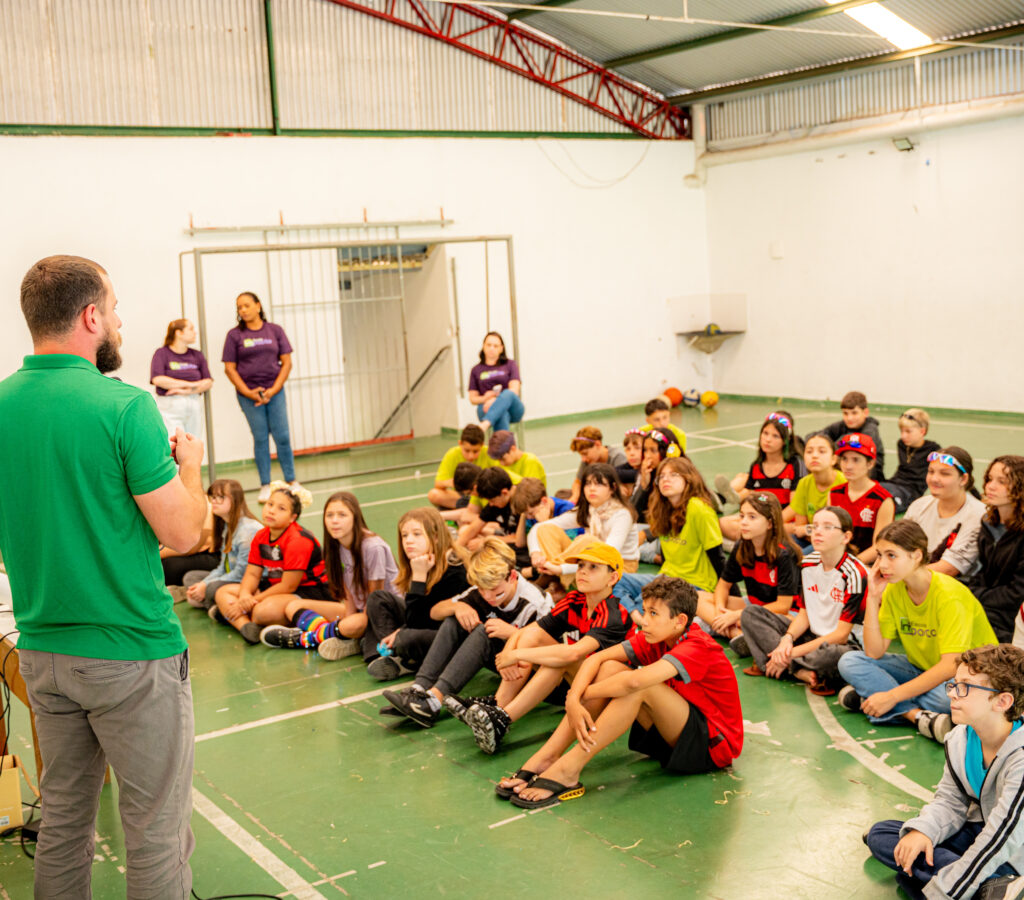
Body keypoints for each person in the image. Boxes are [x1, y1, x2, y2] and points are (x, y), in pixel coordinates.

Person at [0, 255, 207, 897]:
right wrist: (190, 469)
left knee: (64, 823)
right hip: (130, 652)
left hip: (41, 650)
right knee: (156, 833)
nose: (119, 321)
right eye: (114, 309)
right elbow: (184, 534)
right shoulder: (125, 407)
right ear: (91, 316)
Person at [502, 576, 743, 810]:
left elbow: (634, 681)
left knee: (639, 687)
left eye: (653, 614)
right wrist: (574, 698)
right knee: (610, 668)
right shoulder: (658, 637)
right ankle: (548, 756)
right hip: (675, 734)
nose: (644, 621)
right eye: (645, 611)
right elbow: (596, 659)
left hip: (712, 746)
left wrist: (582, 694)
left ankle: (568, 769)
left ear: (679, 621)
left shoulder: (698, 646)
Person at [864, 644, 1024, 900]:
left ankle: (964, 881)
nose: (952, 694)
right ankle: (994, 887)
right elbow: (950, 801)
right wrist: (923, 831)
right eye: (953, 684)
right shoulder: (960, 738)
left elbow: (1002, 837)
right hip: (981, 831)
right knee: (882, 834)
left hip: (1014, 850)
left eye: (965, 687)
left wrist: (942, 891)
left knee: (911, 870)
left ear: (1002, 701)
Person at [456, 537, 631, 755]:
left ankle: (502, 717)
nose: (583, 572)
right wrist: (509, 652)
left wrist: (517, 655)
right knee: (534, 640)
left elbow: (574, 653)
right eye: (581, 566)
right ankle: (496, 709)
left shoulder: (614, 614)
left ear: (612, 578)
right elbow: (530, 632)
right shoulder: (575, 600)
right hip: (579, 682)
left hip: (608, 694)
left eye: (593, 567)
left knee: (560, 659)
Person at [837, 521, 998, 743]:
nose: (882, 564)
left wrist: (891, 695)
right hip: (922, 669)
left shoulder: (949, 595)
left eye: (891, 555)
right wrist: (873, 597)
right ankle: (916, 716)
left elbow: (950, 665)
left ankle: (872, 697)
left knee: (945, 700)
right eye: (879, 555)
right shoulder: (894, 589)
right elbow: (874, 652)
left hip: (970, 676)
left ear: (916, 555)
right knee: (850, 661)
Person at [379, 538, 552, 727]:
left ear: (511, 576)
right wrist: (458, 607)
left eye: (495, 590)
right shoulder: (482, 588)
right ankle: (418, 689)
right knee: (456, 618)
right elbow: (435, 612)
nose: (488, 596)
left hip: (531, 670)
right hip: (503, 661)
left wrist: (513, 634)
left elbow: (552, 652)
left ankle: (433, 701)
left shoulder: (536, 603)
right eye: (483, 590)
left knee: (485, 631)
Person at [259, 491, 400, 659]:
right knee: (293, 606)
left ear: (355, 518)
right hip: (358, 611)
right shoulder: (336, 546)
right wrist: (347, 620)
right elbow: (348, 594)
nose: (334, 520)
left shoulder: (373, 547)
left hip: (384, 614)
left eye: (342, 515)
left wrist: (352, 623)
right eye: (330, 515)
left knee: (355, 623)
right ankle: (339, 636)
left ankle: (305, 639)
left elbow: (374, 599)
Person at [742, 507, 866, 693]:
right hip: (810, 637)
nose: (818, 532)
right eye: (814, 526)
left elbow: (841, 635)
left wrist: (791, 653)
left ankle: (774, 662)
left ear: (846, 537)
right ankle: (800, 671)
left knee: (835, 657)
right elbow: (804, 614)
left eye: (827, 527)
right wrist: (787, 639)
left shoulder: (855, 574)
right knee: (751, 614)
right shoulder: (808, 563)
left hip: (842, 645)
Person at [362, 508, 472, 681]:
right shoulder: (423, 560)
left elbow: (420, 622)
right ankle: (388, 655)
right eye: (404, 535)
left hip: (449, 637)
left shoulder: (455, 568)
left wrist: (419, 577)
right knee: (378, 598)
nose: (409, 541)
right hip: (423, 622)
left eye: (417, 534)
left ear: (436, 537)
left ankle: (398, 653)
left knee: (406, 638)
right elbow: (416, 614)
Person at [212, 483, 328, 643]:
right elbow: (252, 574)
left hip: (308, 591)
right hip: (274, 588)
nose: (271, 510)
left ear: (292, 518)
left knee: (262, 612)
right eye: (270, 504)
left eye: (281, 508)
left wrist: (251, 601)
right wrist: (245, 596)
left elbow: (288, 586)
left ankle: (236, 616)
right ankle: (246, 627)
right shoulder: (261, 536)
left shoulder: (298, 540)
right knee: (222, 592)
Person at [617, 457, 725, 618]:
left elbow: (718, 557)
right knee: (614, 580)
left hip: (694, 585)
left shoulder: (699, 508)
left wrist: (727, 596)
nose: (665, 479)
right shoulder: (663, 509)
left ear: (689, 479)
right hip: (665, 579)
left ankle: (637, 615)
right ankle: (636, 616)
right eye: (661, 476)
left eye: (674, 475)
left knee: (645, 603)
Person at [222, 291, 300, 503]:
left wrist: (274, 389)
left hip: (275, 392)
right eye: (239, 307)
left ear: (258, 306)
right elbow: (229, 368)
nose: (243, 310)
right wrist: (248, 392)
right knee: (260, 438)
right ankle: (265, 484)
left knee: (282, 436)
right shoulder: (234, 336)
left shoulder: (275, 330)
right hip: (249, 395)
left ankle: (291, 481)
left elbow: (287, 362)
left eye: (246, 305)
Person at [710, 493, 802, 655]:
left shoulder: (785, 554)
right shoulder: (742, 546)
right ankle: (738, 634)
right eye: (742, 516)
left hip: (785, 614)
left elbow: (783, 606)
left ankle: (741, 630)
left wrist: (737, 615)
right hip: (754, 606)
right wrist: (720, 613)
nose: (744, 522)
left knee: (753, 619)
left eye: (752, 517)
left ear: (770, 523)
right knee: (701, 598)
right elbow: (723, 585)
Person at [527, 463, 640, 581]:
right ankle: (555, 577)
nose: (592, 488)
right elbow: (538, 527)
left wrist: (562, 569)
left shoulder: (622, 514)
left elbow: (608, 555)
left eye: (599, 484)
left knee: (587, 541)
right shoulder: (588, 510)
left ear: (613, 488)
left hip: (618, 566)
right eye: (587, 483)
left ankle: (553, 577)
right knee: (546, 530)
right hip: (590, 563)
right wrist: (535, 553)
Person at [718, 412, 802, 541]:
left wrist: (772, 522)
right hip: (759, 518)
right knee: (722, 523)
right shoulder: (756, 465)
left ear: (785, 441)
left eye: (775, 436)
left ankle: (748, 540)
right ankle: (752, 539)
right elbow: (751, 492)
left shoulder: (795, 464)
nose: (768, 439)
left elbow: (795, 506)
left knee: (789, 530)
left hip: (783, 521)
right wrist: (739, 500)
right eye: (765, 433)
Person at [905, 447, 986, 580]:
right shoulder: (919, 506)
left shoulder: (978, 515)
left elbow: (949, 569)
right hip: (914, 578)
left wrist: (900, 573)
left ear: (963, 479)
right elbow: (896, 544)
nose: (934, 478)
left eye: (945, 474)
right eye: (931, 471)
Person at [181, 479, 261, 611]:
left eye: (221, 497)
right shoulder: (227, 527)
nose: (214, 501)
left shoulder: (248, 531)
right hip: (232, 577)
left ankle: (220, 608)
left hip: (249, 581)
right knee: (191, 578)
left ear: (235, 500)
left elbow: (242, 573)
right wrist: (203, 583)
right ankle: (220, 605)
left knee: (210, 589)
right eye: (213, 497)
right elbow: (223, 568)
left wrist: (206, 585)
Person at [972, 456, 1024, 646]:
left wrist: (975, 597)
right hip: (989, 603)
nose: (991, 487)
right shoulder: (988, 522)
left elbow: (1017, 593)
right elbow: (983, 572)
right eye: (989, 479)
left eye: (1002, 482)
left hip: (1012, 614)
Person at [829, 432, 894, 564]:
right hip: (836, 559)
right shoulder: (834, 494)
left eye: (856, 460)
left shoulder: (883, 500)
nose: (848, 466)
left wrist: (850, 564)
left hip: (866, 565)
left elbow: (879, 546)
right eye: (844, 459)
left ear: (870, 463)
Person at [149, 318, 212, 438]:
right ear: (179, 333)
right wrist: (192, 384)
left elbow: (208, 382)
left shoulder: (197, 355)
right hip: (171, 404)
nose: (195, 332)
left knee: (193, 441)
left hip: (193, 401)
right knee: (174, 442)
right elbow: (158, 379)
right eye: (191, 329)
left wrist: (186, 390)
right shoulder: (162, 353)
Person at [785, 432, 845, 544]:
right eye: (809, 451)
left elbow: (835, 530)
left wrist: (807, 530)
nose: (814, 456)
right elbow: (800, 529)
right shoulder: (804, 483)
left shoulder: (843, 483)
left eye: (821, 451)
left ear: (833, 459)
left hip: (834, 542)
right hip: (810, 539)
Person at [815, 390, 885, 481]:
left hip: (871, 475)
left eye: (854, 413)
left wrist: (831, 447)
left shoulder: (870, 429)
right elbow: (818, 435)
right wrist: (820, 444)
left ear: (865, 413)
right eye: (845, 413)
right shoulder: (843, 424)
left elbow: (853, 445)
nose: (849, 418)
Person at [879, 409, 941, 512]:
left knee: (885, 504)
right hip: (893, 483)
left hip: (911, 492)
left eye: (908, 431)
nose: (903, 436)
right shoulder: (902, 444)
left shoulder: (933, 449)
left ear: (922, 431)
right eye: (902, 431)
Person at [427, 424, 491, 511]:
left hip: (483, 495)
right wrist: (454, 483)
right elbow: (438, 484)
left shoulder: (489, 453)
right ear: (460, 443)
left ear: (482, 445)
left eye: (475, 451)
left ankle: (469, 508)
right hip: (461, 496)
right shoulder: (452, 454)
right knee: (433, 494)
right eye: (467, 450)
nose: (471, 456)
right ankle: (469, 507)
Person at [468, 331, 523, 432]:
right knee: (502, 413)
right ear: (483, 346)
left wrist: (495, 401)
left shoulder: (510, 364)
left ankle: (485, 424)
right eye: (489, 345)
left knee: (508, 393)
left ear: (501, 348)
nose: (491, 348)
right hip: (485, 406)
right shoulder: (476, 370)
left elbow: (514, 391)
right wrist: (485, 398)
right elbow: (473, 398)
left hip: (512, 407)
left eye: (495, 346)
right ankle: (504, 443)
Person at [568, 426, 628, 504]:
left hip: (612, 498)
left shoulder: (617, 457)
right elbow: (578, 482)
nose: (583, 459)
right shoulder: (588, 460)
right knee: (562, 493)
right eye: (581, 455)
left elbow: (625, 489)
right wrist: (575, 497)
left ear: (598, 444)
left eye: (585, 453)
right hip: (596, 493)